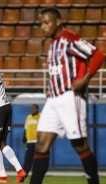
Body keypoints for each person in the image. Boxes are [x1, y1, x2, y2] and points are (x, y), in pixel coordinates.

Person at [30, 7, 104, 184]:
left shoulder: (68, 38)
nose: (43, 27)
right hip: (53, 100)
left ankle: (93, 180)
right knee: (41, 144)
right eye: (41, 23)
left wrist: (86, 78)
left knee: (79, 145)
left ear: (57, 22)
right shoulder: (53, 44)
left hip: (70, 97)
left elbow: (98, 55)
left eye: (47, 22)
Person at [22, 104, 40, 175]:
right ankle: (25, 173)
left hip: (37, 141)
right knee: (27, 159)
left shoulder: (40, 117)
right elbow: (26, 128)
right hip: (29, 141)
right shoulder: (28, 117)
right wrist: (24, 139)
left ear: (37, 109)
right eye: (31, 108)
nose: (32, 109)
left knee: (37, 159)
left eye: (34, 108)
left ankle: (37, 172)